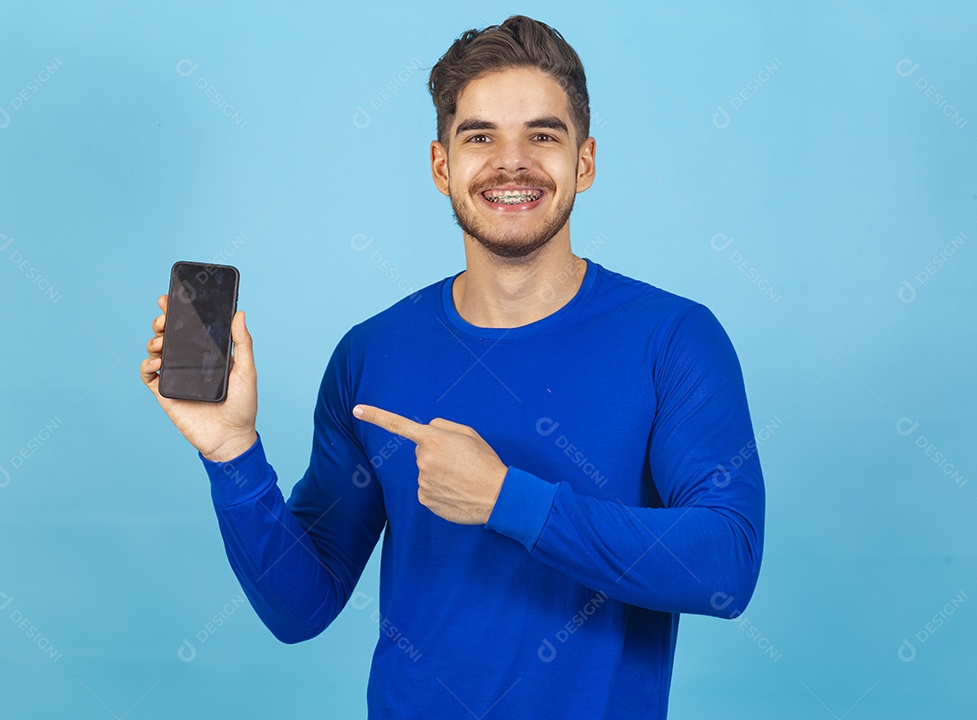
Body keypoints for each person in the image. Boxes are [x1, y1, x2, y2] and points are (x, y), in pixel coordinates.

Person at [141, 14, 765, 719]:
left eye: (543, 134)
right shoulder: (372, 354)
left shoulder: (674, 339)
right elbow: (300, 606)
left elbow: (727, 563)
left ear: (584, 162)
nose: (512, 162)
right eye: (479, 137)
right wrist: (232, 453)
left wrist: (507, 499)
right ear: (442, 167)